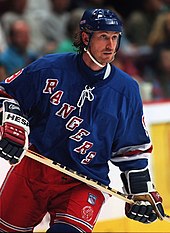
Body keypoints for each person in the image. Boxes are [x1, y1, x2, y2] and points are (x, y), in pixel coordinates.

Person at [0, 8, 165, 233]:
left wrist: (141, 190)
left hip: (84, 181)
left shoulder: (126, 90)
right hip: (35, 167)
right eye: (104, 37)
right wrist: (13, 123)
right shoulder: (49, 68)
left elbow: (132, 148)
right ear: (85, 37)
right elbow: (7, 94)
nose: (111, 46)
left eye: (115, 38)